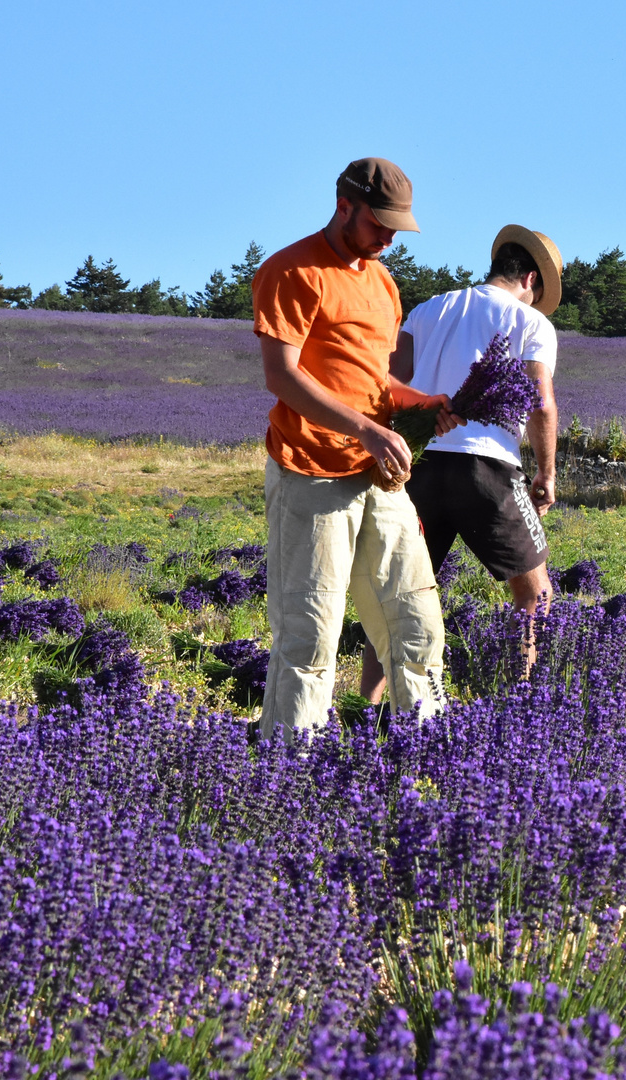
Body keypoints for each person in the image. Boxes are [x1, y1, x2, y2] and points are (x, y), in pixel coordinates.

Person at [251, 157, 459, 741]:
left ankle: (427, 757)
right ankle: (288, 772)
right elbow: (283, 377)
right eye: (380, 224)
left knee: (417, 623)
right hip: (310, 473)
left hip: (380, 479)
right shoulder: (292, 271)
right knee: (310, 633)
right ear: (346, 205)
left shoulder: (383, 281)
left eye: (398, 227)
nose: (390, 238)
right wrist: (365, 429)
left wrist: (423, 404)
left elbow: (372, 381)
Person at [360, 225, 564, 704]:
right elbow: (541, 403)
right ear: (530, 279)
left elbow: (390, 381)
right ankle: (521, 704)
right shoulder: (532, 324)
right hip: (487, 470)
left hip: (420, 467)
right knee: (535, 593)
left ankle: (366, 709)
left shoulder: (430, 309)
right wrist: (546, 473)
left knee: (394, 597)